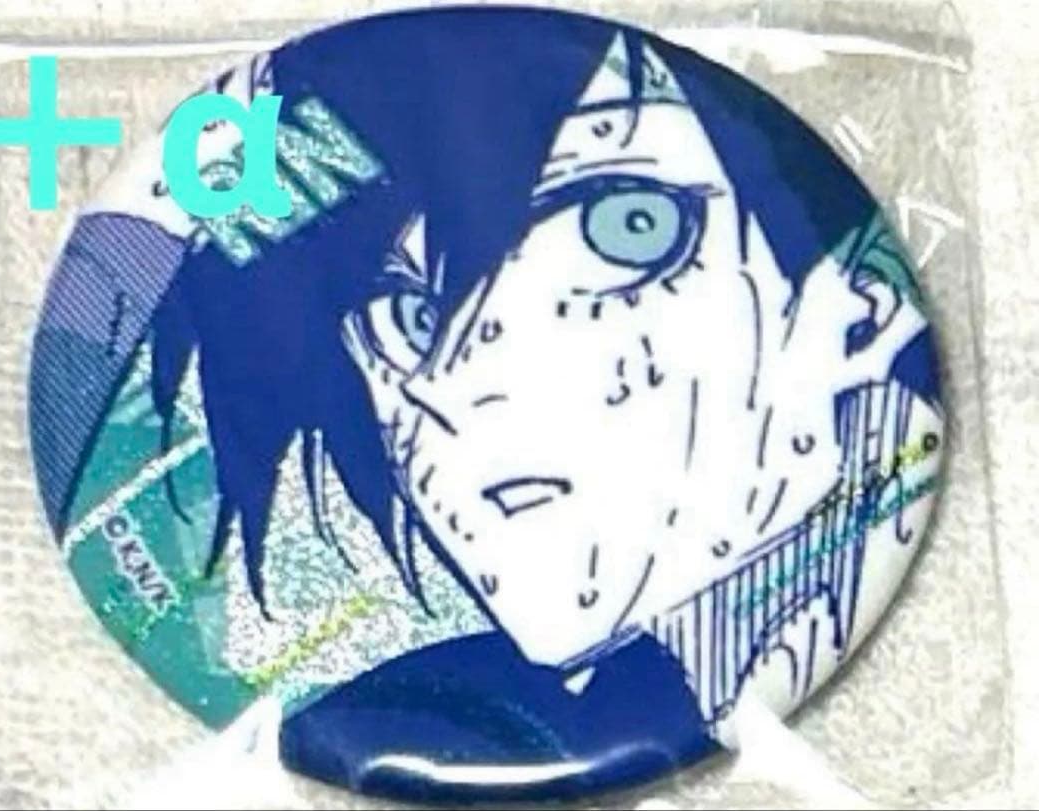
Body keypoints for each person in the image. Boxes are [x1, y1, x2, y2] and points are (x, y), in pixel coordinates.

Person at [46, 8, 943, 802]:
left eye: (629, 229)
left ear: (855, 309)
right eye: (409, 314)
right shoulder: (407, 697)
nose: (458, 379)